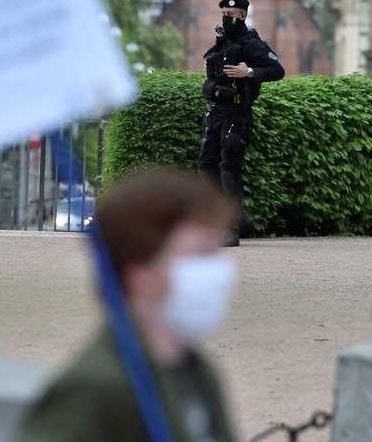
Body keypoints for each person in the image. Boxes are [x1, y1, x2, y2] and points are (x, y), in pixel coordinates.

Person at [17, 169, 238, 442]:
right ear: (139, 273)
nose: (218, 271)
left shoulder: (200, 373)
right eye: (199, 255)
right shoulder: (98, 386)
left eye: (213, 253)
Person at [199, 0, 284, 247]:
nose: (226, 18)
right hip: (216, 112)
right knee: (205, 166)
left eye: (230, 14)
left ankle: (231, 228)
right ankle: (235, 214)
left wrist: (247, 72)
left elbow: (278, 70)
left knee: (229, 170)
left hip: (238, 113)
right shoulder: (223, 42)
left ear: (243, 15)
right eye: (223, 14)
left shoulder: (251, 43)